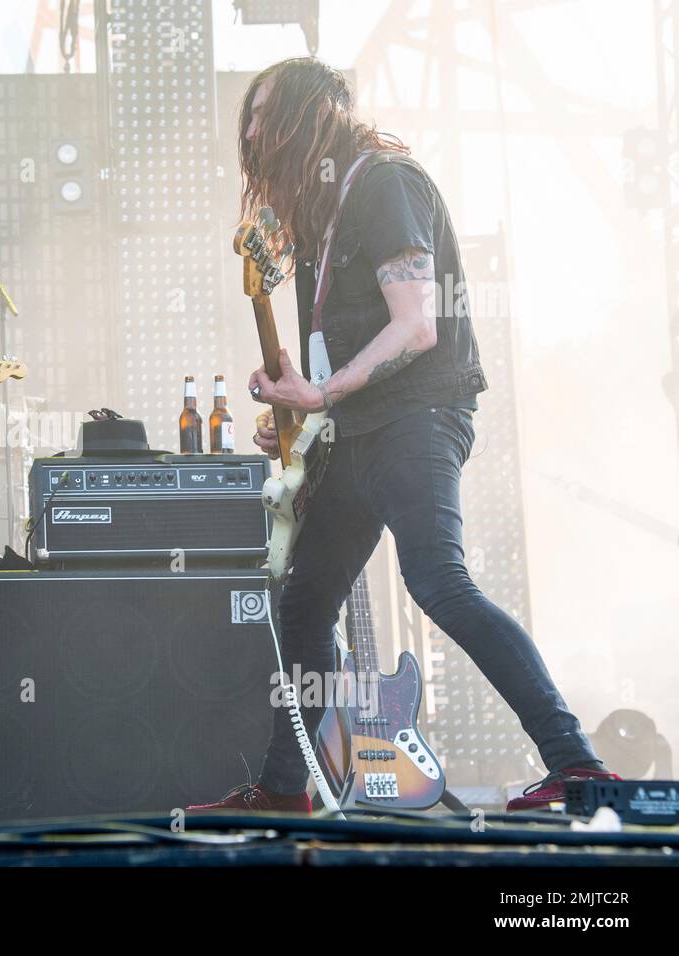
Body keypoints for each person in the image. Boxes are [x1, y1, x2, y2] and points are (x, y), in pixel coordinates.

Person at [190, 57, 615, 815]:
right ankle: (289, 790)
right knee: (306, 600)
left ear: (309, 112)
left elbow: (417, 326)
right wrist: (299, 412)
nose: (249, 130)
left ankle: (577, 763)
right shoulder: (320, 214)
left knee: (438, 581)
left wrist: (321, 391)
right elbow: (344, 355)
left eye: (262, 113)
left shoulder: (382, 182)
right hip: (356, 430)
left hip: (417, 416)